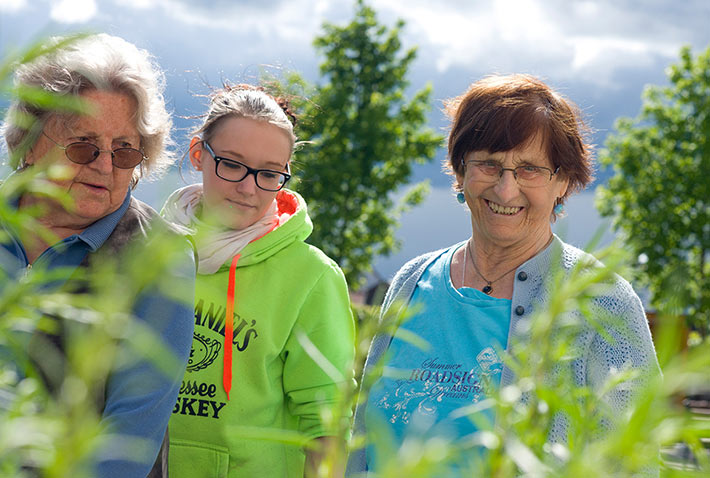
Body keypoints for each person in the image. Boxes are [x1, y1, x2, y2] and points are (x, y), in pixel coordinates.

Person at [346, 74, 660, 475]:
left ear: (562, 182)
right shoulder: (412, 281)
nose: (506, 189)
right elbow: (361, 439)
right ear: (460, 172)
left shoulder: (601, 300)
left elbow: (637, 460)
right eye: (489, 164)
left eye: (530, 169)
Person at [0, 34, 195, 477]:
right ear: (29, 145)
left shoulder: (158, 257)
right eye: (84, 145)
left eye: (125, 150)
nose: (105, 166)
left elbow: (127, 439)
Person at [162, 84, 355, 478]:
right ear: (199, 155)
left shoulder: (311, 276)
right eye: (232, 164)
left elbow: (327, 427)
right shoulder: (151, 252)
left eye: (269, 174)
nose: (249, 187)